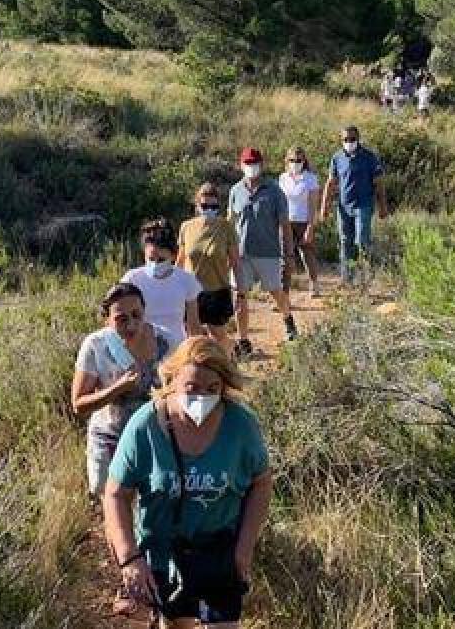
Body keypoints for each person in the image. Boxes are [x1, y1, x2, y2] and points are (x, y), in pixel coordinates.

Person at [104, 336, 273, 628]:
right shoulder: (146, 425)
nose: (202, 396)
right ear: (173, 382)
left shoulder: (240, 424)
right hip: (164, 555)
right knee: (175, 623)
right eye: (192, 388)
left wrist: (244, 548)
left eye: (212, 389)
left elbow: (262, 481)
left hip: (220, 551)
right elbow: (116, 494)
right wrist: (130, 557)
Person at [71, 282, 173, 500]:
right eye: (121, 319)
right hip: (109, 436)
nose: (131, 325)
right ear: (107, 319)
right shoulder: (96, 345)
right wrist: (116, 389)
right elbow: (79, 404)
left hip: (152, 435)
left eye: (137, 315)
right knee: (110, 500)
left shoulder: (165, 341)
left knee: (151, 505)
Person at [229, 147, 297, 356]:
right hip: (241, 255)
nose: (251, 167)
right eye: (247, 163)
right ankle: (243, 340)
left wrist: (289, 254)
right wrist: (226, 252)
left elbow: (284, 225)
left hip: (268, 253)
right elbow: (230, 223)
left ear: (262, 164)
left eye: (254, 163)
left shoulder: (275, 191)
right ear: (241, 165)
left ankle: (288, 320)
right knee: (240, 296)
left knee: (276, 292)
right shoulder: (235, 191)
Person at [320, 126, 388, 287]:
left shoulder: (369, 157)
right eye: (346, 139)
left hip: (363, 205)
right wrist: (324, 207)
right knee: (345, 242)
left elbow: (378, 183)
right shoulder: (337, 158)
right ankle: (347, 279)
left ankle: (365, 278)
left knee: (362, 242)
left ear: (358, 139)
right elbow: (331, 183)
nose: (349, 142)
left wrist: (382, 206)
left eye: (352, 139)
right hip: (343, 207)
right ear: (341, 140)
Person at [121, 219, 203, 351]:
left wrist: (195, 354)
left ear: (173, 256)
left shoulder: (186, 280)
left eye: (161, 260)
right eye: (151, 259)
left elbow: (193, 325)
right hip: (143, 349)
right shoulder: (132, 279)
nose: (155, 264)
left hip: (177, 350)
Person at [177, 183, 240, 354]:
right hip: (191, 292)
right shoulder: (186, 227)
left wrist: (240, 291)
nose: (209, 209)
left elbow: (235, 261)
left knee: (218, 334)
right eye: (205, 206)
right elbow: (180, 261)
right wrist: (173, 286)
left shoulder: (226, 227)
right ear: (197, 206)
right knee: (192, 335)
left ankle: (229, 356)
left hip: (217, 290)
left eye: (213, 206)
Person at [278, 146, 322, 298]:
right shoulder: (283, 178)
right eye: (292, 160)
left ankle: (314, 284)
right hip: (286, 222)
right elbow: (280, 202)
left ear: (304, 161)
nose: (295, 163)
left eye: (298, 160)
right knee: (285, 257)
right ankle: (284, 293)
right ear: (287, 161)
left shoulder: (310, 178)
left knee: (307, 254)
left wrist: (311, 226)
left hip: (304, 222)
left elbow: (313, 204)